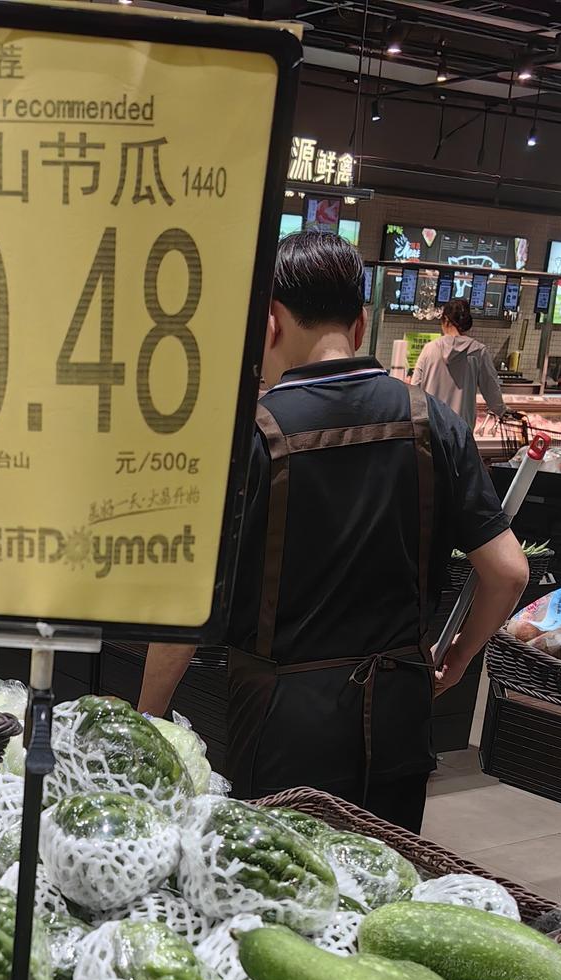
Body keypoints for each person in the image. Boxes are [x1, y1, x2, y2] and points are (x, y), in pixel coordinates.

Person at [138, 232, 527, 832]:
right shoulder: (433, 422)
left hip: (284, 727)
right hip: (399, 714)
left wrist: (148, 716)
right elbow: (507, 571)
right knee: (386, 893)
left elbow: (191, 602)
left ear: (269, 322)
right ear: (362, 321)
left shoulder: (252, 434)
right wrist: (451, 661)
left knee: (287, 901)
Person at [410, 296, 504, 429]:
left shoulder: (429, 349)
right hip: (462, 431)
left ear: (446, 320)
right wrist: (502, 411)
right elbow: (492, 392)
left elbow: (415, 389)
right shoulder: (478, 351)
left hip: (432, 428)